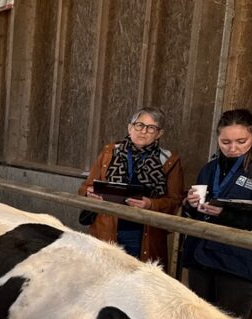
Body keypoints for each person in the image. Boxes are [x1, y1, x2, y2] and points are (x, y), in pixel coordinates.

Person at [182, 109, 252, 319]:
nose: (233, 148)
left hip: (240, 263)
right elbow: (193, 212)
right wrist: (190, 205)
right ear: (217, 138)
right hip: (201, 258)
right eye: (225, 142)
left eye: (241, 141)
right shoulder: (209, 169)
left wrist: (225, 215)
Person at [78, 106, 184, 265]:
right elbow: (85, 187)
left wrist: (150, 203)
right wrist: (90, 193)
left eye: (151, 128)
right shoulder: (110, 152)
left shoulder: (169, 160)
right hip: (106, 229)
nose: (143, 131)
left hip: (142, 234)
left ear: (159, 133)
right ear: (130, 127)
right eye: (139, 125)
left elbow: (175, 201)